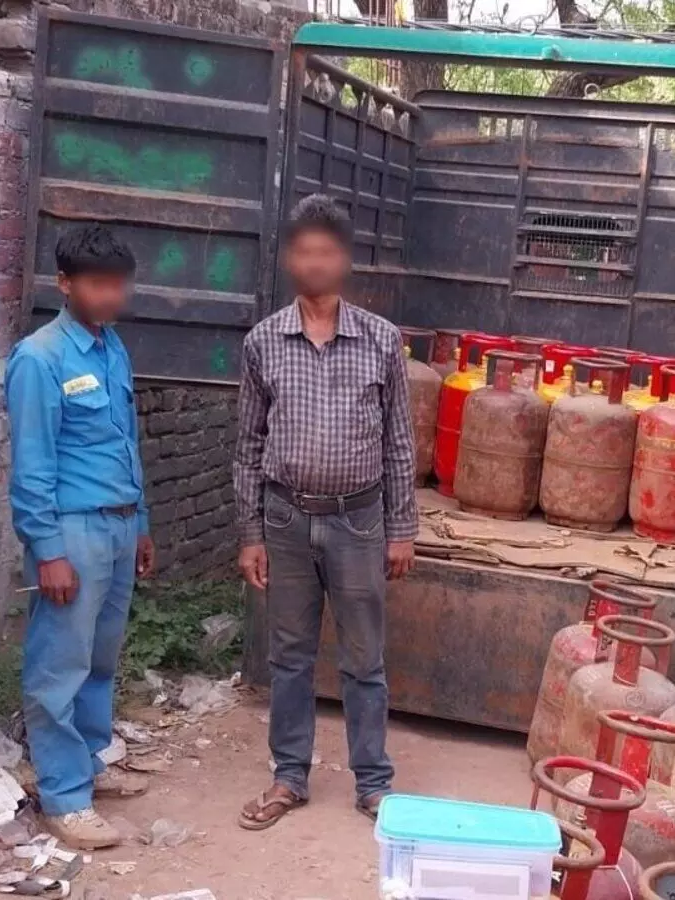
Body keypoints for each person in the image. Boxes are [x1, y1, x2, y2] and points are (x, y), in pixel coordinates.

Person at [233, 194, 417, 830]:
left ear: (345, 260)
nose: (316, 262)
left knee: (364, 659)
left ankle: (373, 782)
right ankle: (289, 776)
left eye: (327, 251)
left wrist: (402, 529)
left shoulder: (382, 340)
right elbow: (248, 445)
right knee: (289, 657)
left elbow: (399, 442)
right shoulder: (263, 342)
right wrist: (250, 533)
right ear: (290, 259)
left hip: (359, 521)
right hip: (285, 519)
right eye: (305, 251)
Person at [5, 225, 155, 848]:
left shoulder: (111, 348)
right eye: (98, 284)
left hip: (118, 526)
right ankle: (64, 797)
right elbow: (31, 464)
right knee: (58, 664)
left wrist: (141, 523)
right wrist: (49, 551)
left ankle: (90, 762)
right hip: (72, 532)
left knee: (99, 657)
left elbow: (128, 443)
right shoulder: (39, 358)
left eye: (119, 285)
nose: (111, 296)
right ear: (64, 284)